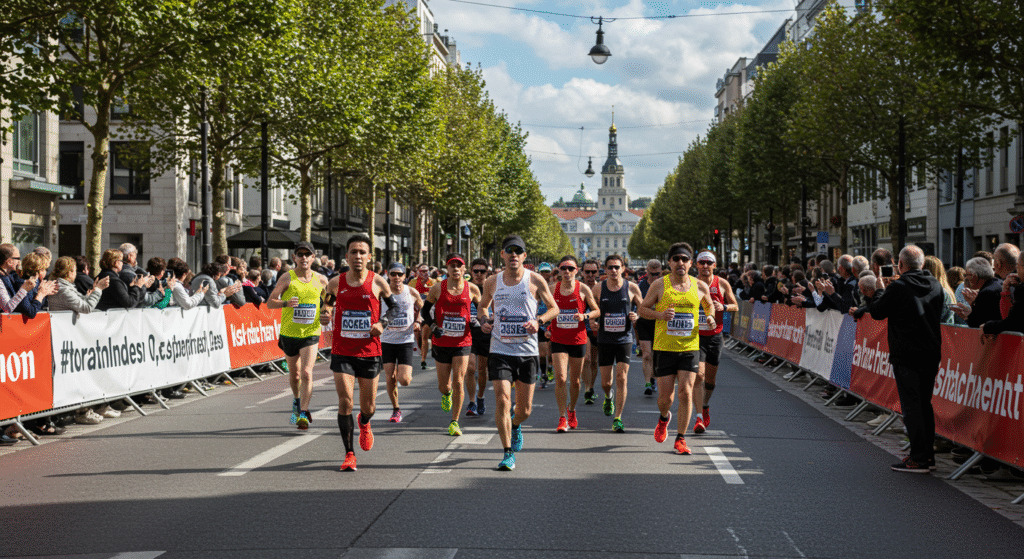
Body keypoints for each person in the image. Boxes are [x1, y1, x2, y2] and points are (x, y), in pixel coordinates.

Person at [855, 246, 944, 472]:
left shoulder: (899, 287)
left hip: (906, 353)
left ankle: (918, 458)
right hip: (931, 352)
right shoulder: (935, 284)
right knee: (925, 405)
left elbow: (877, 311)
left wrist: (879, 289)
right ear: (922, 264)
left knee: (912, 407)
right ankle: (928, 456)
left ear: (901, 265)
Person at [477, 235, 559, 470]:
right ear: (502, 255)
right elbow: (483, 305)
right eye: (509, 250)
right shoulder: (493, 281)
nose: (513, 254)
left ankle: (516, 425)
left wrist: (539, 321)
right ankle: (507, 452)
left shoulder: (535, 280)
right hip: (500, 348)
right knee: (503, 400)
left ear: (524, 256)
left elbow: (555, 308)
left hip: (527, 351)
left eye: (518, 251)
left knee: (524, 410)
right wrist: (484, 320)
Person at [320, 234, 399, 471]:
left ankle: (364, 422)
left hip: (369, 351)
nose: (358, 256)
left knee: (369, 407)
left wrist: (382, 324)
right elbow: (325, 305)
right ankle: (349, 454)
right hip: (342, 351)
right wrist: (324, 313)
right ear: (346, 256)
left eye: (362, 252)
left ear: (369, 257)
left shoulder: (378, 282)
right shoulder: (335, 282)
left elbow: (394, 308)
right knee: (345, 401)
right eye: (353, 252)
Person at [639, 243, 716, 455]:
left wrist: (710, 317)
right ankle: (664, 418)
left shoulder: (699, 286)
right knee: (666, 399)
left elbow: (709, 306)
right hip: (664, 347)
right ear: (670, 262)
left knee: (686, 392)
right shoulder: (660, 285)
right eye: (676, 259)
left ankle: (681, 438)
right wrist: (659, 315)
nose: (680, 263)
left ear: (691, 263)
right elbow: (643, 309)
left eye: (684, 259)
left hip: (690, 347)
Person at [267, 241, 330, 429]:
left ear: (313, 257)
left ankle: (303, 412)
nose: (304, 257)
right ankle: (296, 400)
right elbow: (270, 303)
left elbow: (329, 302)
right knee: (295, 376)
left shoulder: (321, 280)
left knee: (307, 372)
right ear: (294, 257)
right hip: (289, 332)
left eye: (307, 254)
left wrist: (327, 313)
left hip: (311, 332)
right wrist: (285, 304)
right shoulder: (287, 278)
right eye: (300, 254)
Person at [422, 253, 482, 436]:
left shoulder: (472, 289)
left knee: (458, 380)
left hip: (463, 341)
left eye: (459, 265)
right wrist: (433, 326)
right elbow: (425, 311)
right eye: (452, 265)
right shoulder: (438, 289)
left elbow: (482, 311)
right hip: (441, 341)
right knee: (445, 385)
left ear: (464, 269)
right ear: (447, 269)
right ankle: (446, 394)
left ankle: (455, 421)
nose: (455, 268)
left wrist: (476, 321)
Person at [592, 254, 644, 432]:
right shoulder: (598, 289)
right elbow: (589, 310)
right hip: (605, 339)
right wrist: (593, 321)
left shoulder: (632, 288)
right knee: (606, 382)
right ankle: (608, 397)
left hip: (624, 339)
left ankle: (618, 418)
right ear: (605, 270)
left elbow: (643, 308)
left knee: (622, 378)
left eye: (617, 267)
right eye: (610, 267)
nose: (613, 270)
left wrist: (636, 316)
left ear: (623, 269)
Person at [547, 255, 599, 432]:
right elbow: (543, 309)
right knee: (561, 378)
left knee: (575, 381)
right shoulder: (552, 288)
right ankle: (562, 417)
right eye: (563, 268)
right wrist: (546, 325)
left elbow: (597, 311)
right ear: (559, 271)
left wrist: (585, 316)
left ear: (577, 271)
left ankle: (571, 410)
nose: (567, 272)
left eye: (571, 268)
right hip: (558, 339)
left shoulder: (583, 289)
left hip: (578, 338)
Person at [694, 250, 737, 432]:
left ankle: (705, 406)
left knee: (710, 381)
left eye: (708, 263)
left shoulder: (722, 283)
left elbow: (735, 305)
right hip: (695, 336)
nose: (705, 266)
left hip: (714, 336)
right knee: (699, 376)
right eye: (702, 262)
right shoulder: (691, 283)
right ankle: (697, 418)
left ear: (714, 265)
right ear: (697, 265)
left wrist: (724, 306)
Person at [380, 262, 422, 423]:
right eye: (393, 274)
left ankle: (400, 371)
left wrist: (418, 320)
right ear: (388, 275)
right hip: (387, 340)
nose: (396, 277)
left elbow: (423, 307)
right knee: (390, 378)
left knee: (404, 380)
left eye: (399, 274)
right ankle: (396, 409)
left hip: (405, 339)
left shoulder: (411, 292)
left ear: (405, 276)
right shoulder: (382, 293)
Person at [466, 258, 492, 417]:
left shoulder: (492, 288)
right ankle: (471, 402)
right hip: (469, 333)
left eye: (483, 271)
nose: (479, 274)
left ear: (487, 272)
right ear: (471, 272)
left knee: (482, 370)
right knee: (470, 368)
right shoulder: (466, 288)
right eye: (476, 271)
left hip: (486, 334)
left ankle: (480, 397)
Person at [636, 259, 662, 396]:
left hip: (659, 323)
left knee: (657, 355)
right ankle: (648, 383)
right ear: (647, 272)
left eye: (657, 274)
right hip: (644, 321)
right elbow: (635, 302)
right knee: (646, 354)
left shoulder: (665, 285)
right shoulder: (641, 285)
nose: (655, 277)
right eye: (652, 274)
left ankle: (654, 378)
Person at [955, 257, 1003, 327]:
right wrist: (972, 304)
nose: (966, 278)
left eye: (966, 275)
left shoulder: (986, 293)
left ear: (974, 275)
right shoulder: (1000, 283)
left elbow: (976, 323)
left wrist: (967, 315)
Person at [580, 259, 601, 404]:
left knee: (594, 361)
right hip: (582, 329)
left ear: (598, 272)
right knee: (586, 359)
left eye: (593, 272)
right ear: (582, 272)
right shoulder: (578, 288)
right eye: (587, 272)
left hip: (598, 329)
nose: (590, 275)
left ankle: (591, 387)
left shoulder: (601, 288)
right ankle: (587, 389)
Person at [409, 263, 435, 369]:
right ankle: (421, 352)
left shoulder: (433, 282)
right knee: (418, 334)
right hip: (417, 311)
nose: (425, 273)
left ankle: (423, 359)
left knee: (425, 335)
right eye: (422, 271)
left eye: (426, 271)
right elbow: (409, 295)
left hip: (429, 311)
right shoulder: (413, 282)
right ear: (418, 272)